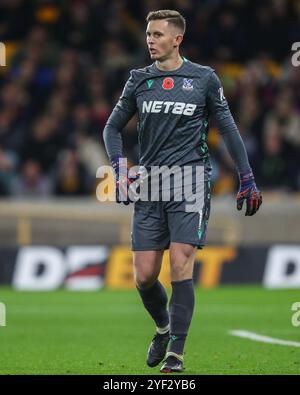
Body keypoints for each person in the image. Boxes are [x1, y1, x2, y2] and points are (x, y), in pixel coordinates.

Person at [103, 10, 262, 373]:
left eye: (157, 34)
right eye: (147, 34)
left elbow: (229, 129)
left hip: (190, 180)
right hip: (150, 183)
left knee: (181, 261)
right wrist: (120, 167)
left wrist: (246, 176)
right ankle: (162, 328)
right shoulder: (138, 81)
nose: (150, 40)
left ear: (177, 39)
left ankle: (176, 353)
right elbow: (111, 129)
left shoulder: (204, 78)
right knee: (144, 275)